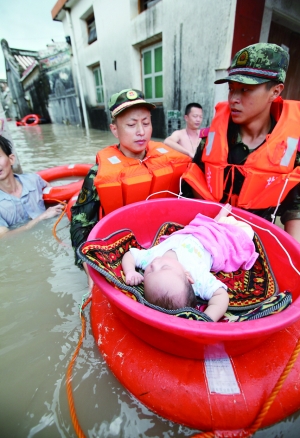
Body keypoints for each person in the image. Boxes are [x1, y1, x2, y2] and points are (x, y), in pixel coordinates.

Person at [70, 89, 191, 289]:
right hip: (121, 250)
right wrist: (87, 264)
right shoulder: (97, 174)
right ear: (115, 129)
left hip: (165, 244)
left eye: (146, 123)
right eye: (131, 125)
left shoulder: (170, 162)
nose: (141, 131)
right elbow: (80, 223)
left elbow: (188, 205)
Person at [181, 43, 300, 243]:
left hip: (255, 243)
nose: (234, 98)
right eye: (231, 89)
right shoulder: (211, 140)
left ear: (275, 92)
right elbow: (191, 191)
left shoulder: (292, 151)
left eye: (245, 89)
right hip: (206, 235)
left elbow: (295, 215)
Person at [122, 204, 257, 322]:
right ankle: (221, 221)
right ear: (187, 276)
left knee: (209, 225)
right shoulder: (196, 276)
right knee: (246, 232)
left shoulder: (149, 259)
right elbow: (221, 295)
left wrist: (130, 271)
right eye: (150, 272)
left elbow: (130, 254)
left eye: (151, 270)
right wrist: (207, 318)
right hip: (211, 242)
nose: (154, 265)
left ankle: (218, 219)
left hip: (194, 231)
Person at [0, 136, 63, 237]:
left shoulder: (34, 180)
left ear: (11, 159)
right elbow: (4, 237)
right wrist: (41, 217)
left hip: (52, 234)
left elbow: (55, 196)